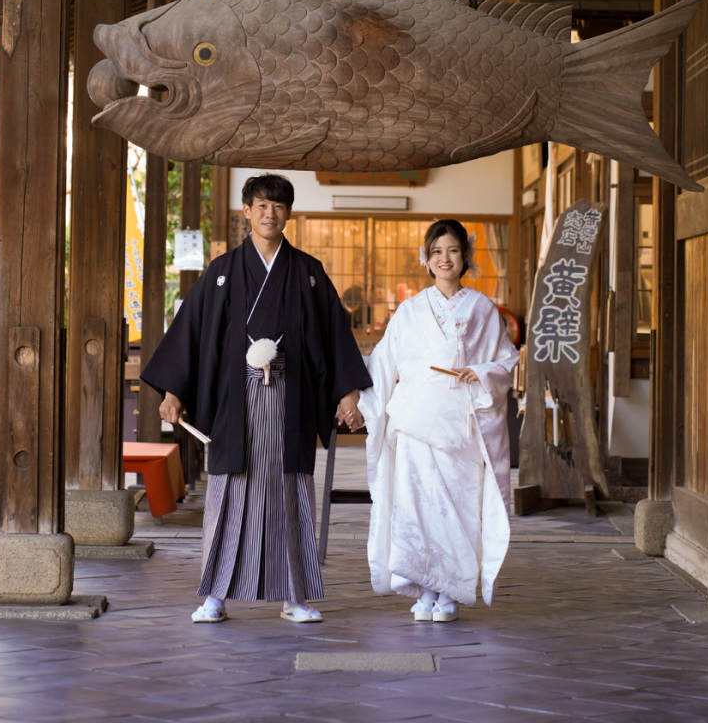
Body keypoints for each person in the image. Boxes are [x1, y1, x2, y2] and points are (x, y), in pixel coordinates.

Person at [142, 172, 371, 624]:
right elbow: (191, 331)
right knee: (229, 490)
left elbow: (334, 336)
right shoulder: (222, 271)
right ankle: (215, 595)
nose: (270, 213)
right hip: (236, 399)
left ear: (289, 213)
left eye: (279, 206)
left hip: (290, 398)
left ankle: (295, 596)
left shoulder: (307, 272)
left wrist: (347, 395)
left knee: (290, 492)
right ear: (247, 211)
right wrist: (173, 391)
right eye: (262, 205)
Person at [354, 219, 518, 622]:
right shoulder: (409, 311)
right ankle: (425, 588)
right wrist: (359, 402)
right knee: (416, 509)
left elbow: (505, 360)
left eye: (453, 251)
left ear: (466, 257)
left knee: (457, 510)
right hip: (415, 423)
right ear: (425, 259)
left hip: (460, 427)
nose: (445, 259)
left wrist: (481, 371)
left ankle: (450, 590)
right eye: (437, 251)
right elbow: (383, 362)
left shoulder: (482, 308)